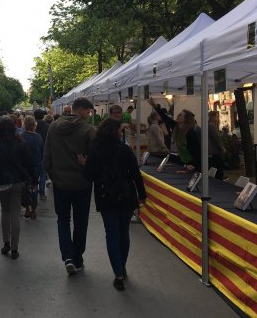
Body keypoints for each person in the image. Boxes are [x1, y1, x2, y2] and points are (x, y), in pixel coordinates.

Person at [84, 119, 147, 291]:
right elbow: (135, 173)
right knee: (123, 232)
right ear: (115, 132)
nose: (121, 132)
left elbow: (89, 176)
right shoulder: (124, 149)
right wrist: (142, 195)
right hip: (125, 195)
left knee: (111, 234)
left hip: (105, 197)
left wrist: (86, 165)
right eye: (120, 130)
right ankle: (122, 266)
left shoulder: (95, 150)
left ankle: (117, 272)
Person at [44, 97, 96, 275]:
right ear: (81, 110)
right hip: (82, 183)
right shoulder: (88, 130)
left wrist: (50, 173)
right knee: (81, 222)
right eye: (88, 112)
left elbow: (47, 153)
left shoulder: (53, 126)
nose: (89, 115)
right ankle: (78, 258)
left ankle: (67, 256)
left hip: (60, 182)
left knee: (63, 220)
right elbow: (95, 158)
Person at [0, 117, 37, 259]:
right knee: (16, 213)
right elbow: (30, 163)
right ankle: (15, 248)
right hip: (18, 182)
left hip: (2, 183)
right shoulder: (21, 143)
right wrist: (34, 181)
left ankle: (6, 243)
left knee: (6, 212)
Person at [149, 97, 201, 172]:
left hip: (192, 165)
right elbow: (165, 117)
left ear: (185, 119)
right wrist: (155, 106)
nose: (177, 116)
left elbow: (198, 152)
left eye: (180, 115)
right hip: (184, 162)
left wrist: (194, 165)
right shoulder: (176, 127)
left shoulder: (191, 133)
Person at [20, 115, 44, 214]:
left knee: (25, 186)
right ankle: (33, 208)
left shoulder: (21, 137)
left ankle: (27, 206)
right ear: (34, 125)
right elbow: (42, 152)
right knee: (34, 185)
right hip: (36, 165)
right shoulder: (38, 137)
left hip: (24, 165)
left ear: (24, 125)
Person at [34, 110, 50, 199]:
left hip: (33, 152)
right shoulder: (47, 126)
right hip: (44, 152)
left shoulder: (32, 125)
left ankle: (34, 191)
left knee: (34, 174)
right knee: (43, 173)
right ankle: (42, 193)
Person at [208, 111, 226, 180]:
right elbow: (217, 139)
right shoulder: (212, 126)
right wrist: (222, 148)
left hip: (211, 152)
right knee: (218, 170)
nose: (218, 118)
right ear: (213, 117)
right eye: (217, 116)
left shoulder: (208, 125)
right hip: (215, 152)